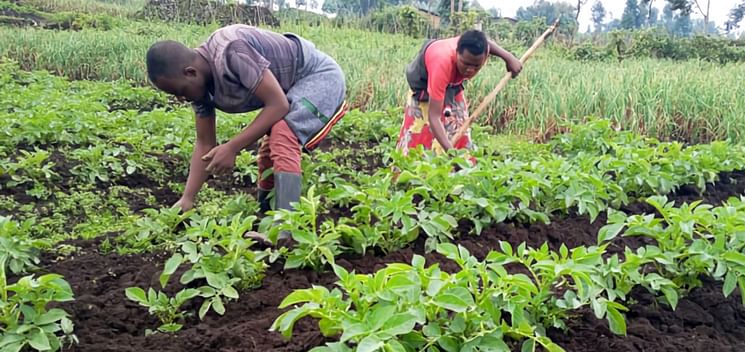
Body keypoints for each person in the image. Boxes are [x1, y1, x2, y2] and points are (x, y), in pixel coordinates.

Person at [146, 24, 347, 219]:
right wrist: (187, 198)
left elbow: (278, 105)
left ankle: (288, 228)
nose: (182, 99)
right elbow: (205, 143)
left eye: (180, 92)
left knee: (283, 134)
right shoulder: (199, 90)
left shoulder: (232, 51)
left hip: (318, 76)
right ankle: (266, 212)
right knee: (271, 145)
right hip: (288, 89)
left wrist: (232, 147)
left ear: (190, 72)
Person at [397, 30, 522, 155]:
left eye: (476, 66)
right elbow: (434, 117)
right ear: (456, 53)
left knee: (460, 129)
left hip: (452, 85)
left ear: (485, 57)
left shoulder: (480, 50)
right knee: (420, 131)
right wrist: (451, 153)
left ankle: (461, 166)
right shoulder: (441, 64)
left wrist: (508, 57)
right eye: (466, 64)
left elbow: (486, 42)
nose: (470, 70)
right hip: (423, 83)